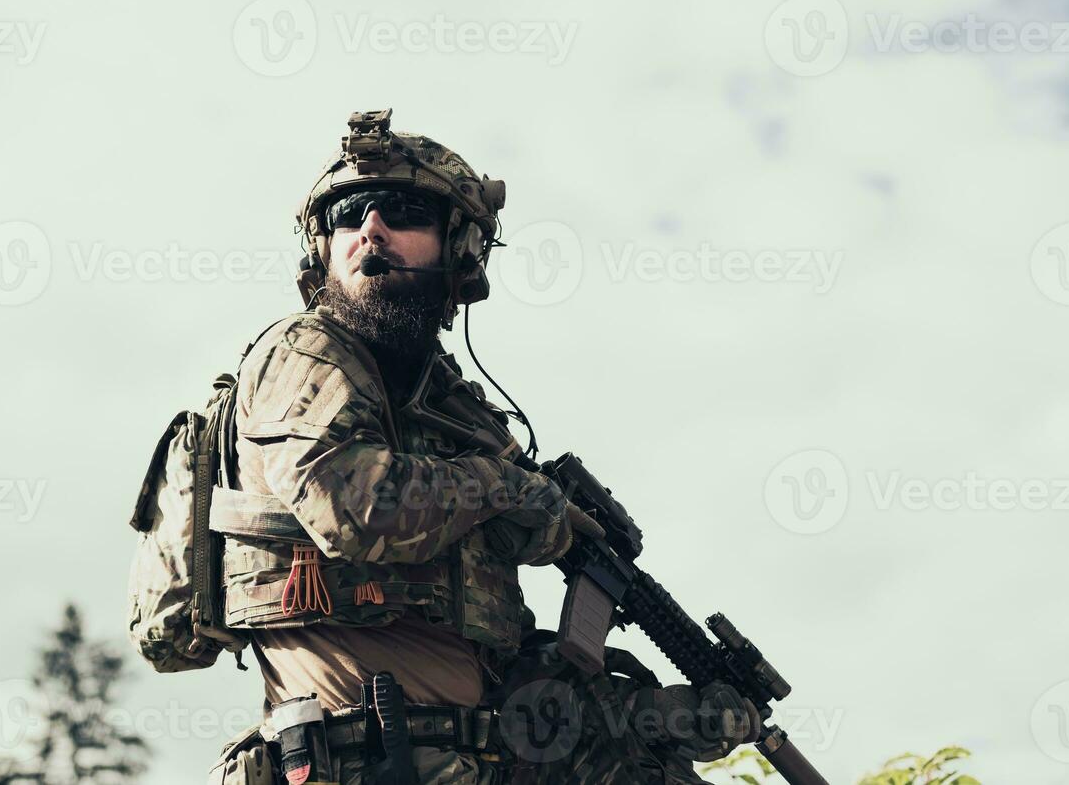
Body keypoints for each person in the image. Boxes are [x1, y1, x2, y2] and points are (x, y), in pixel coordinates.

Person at [207, 110, 758, 785]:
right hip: (355, 762)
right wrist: (513, 490)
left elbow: (509, 665)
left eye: (403, 212)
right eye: (349, 216)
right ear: (321, 250)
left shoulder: (453, 413)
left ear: (461, 249)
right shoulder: (303, 351)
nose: (371, 230)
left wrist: (661, 716)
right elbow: (350, 505)